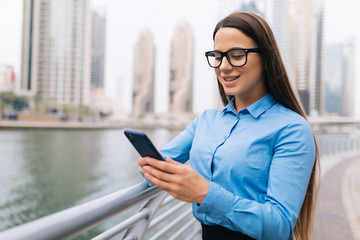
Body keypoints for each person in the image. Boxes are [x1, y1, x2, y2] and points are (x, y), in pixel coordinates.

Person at [138, 12, 319, 240]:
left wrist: (205, 193)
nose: (223, 66)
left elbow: (280, 226)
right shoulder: (206, 121)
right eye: (217, 56)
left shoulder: (292, 129)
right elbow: (158, 163)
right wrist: (149, 165)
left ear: (266, 59)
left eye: (236, 55)